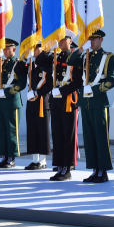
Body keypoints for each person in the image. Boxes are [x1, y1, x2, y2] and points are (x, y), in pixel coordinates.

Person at [67, 30, 114, 184]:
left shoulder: (108, 57)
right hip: (85, 103)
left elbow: (111, 80)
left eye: (95, 39)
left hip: (99, 103)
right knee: (89, 138)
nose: (92, 42)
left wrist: (94, 90)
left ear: (101, 40)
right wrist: (81, 49)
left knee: (101, 138)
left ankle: (103, 171)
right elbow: (70, 60)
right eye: (90, 39)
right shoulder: (85, 56)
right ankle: (94, 170)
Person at [37, 37, 82, 181]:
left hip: (68, 101)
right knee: (57, 135)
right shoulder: (55, 56)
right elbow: (39, 62)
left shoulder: (74, 57)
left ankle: (68, 168)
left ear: (70, 41)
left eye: (63, 40)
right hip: (55, 102)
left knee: (68, 136)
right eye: (59, 40)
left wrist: (62, 91)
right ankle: (59, 166)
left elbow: (78, 81)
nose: (60, 42)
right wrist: (47, 49)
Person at [0, 39, 27, 168]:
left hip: (11, 100)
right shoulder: (1, 62)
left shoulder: (18, 63)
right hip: (0, 101)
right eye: (3, 49)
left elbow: (22, 84)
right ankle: (4, 156)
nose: (4, 51)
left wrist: (8, 92)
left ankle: (11, 158)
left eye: (7, 49)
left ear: (14, 49)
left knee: (11, 130)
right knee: (1, 130)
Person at [23, 43, 53, 170]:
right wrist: (24, 58)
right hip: (31, 100)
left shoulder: (47, 63)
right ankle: (35, 159)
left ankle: (43, 160)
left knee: (42, 130)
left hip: (42, 99)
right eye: (33, 48)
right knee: (32, 130)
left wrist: (37, 92)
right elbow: (19, 69)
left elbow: (49, 83)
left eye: (37, 48)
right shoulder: (31, 63)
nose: (34, 51)